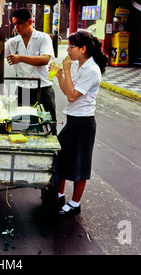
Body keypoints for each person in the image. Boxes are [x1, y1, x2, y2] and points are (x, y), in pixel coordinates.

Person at [55, 30, 108, 216]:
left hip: (84, 123)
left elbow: (71, 96)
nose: (68, 50)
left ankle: (75, 204)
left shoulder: (92, 70)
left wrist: (67, 71)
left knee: (79, 165)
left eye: (71, 46)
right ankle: (59, 195)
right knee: (60, 159)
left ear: (83, 49)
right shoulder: (80, 65)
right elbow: (67, 90)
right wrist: (60, 75)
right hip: (72, 120)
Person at [5, 7, 57, 134]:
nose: (16, 27)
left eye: (19, 23)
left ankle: (52, 152)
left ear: (30, 22)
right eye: (14, 23)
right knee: (22, 127)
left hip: (43, 88)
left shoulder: (43, 38)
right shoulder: (12, 43)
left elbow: (45, 59)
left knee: (49, 127)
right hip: (23, 90)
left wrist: (20, 58)